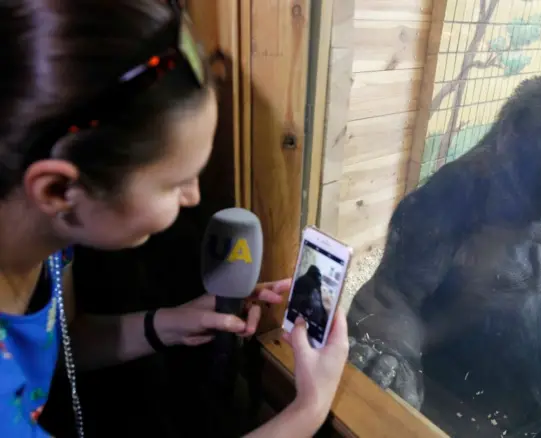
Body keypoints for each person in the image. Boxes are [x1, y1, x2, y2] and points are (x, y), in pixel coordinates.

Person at [0, 1, 349, 437]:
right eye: (176, 182)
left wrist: (166, 323)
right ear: (59, 190)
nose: (195, 197)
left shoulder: (47, 239)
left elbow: (64, 339)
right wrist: (309, 409)